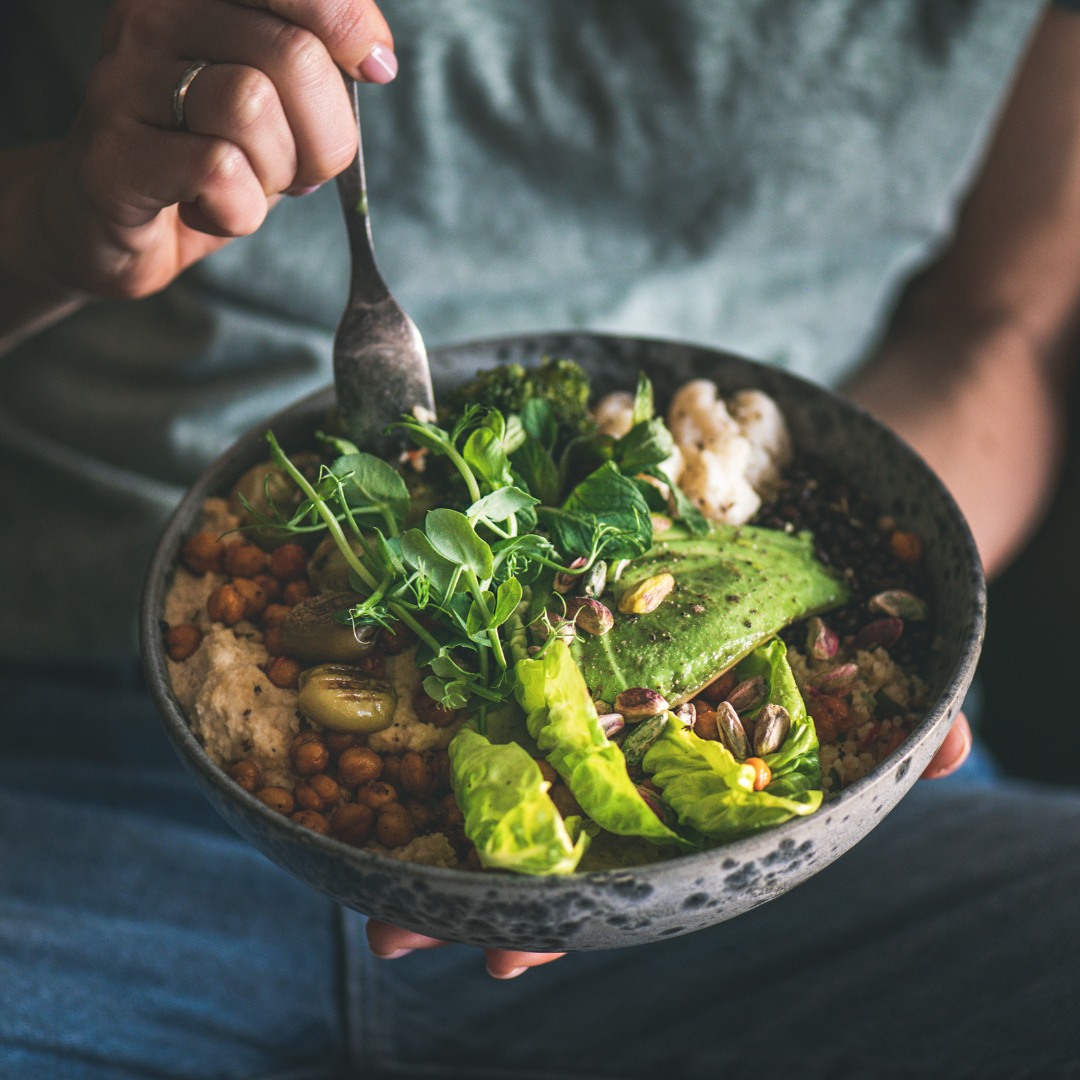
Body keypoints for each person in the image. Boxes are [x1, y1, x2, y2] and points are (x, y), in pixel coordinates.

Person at [1, 0, 1080, 1075]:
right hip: (82, 752)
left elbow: (1000, 324)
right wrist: (58, 222)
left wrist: (901, 624)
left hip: (793, 881)